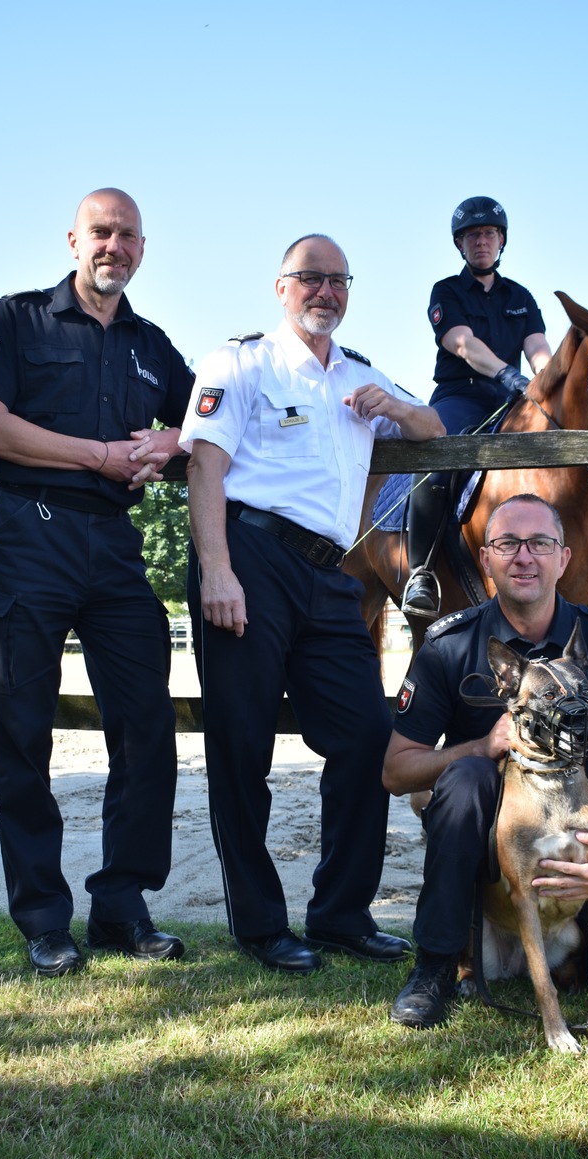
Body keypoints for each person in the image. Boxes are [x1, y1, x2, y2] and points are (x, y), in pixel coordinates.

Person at [180, 234, 444, 974]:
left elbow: (435, 428)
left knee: (366, 736)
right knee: (242, 746)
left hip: (333, 576)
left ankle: (339, 915)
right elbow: (205, 467)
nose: (325, 291)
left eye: (338, 280)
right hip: (250, 557)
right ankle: (260, 925)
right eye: (310, 279)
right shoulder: (241, 362)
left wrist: (392, 405)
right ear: (280, 287)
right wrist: (217, 572)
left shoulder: (358, 374)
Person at [0, 188, 195, 976]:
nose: (113, 246)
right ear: (73, 239)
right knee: (22, 728)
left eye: (127, 235)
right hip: (31, 533)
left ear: (142, 249)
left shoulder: (153, 347)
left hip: (115, 550)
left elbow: (206, 425)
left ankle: (121, 906)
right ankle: (43, 919)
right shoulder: (18, 318)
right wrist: (97, 455)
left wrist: (171, 441)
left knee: (148, 726)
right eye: (101, 231)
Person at [385, 493, 588, 1028]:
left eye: (540, 543)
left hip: (576, 822)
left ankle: (556, 957)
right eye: (507, 544)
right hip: (486, 838)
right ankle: (436, 964)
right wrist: (480, 746)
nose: (524, 557)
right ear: (486, 560)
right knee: (467, 779)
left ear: (563, 558)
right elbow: (396, 771)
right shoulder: (447, 645)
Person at [402, 197, 552, 619]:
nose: (481, 241)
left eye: (488, 233)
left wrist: (549, 381)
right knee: (437, 455)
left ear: (501, 241)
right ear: (460, 245)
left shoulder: (520, 296)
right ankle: (422, 572)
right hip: (460, 397)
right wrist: (508, 373)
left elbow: (539, 350)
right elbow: (461, 343)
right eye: (472, 235)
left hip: (513, 402)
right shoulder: (446, 291)